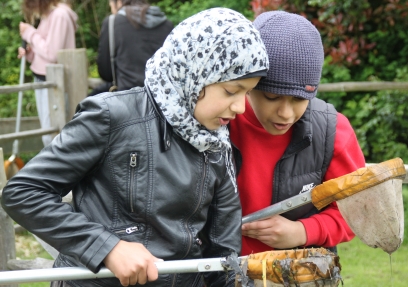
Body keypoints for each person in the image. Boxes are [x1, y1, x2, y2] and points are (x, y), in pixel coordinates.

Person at [2, 7, 269, 287]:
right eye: (231, 91)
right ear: (196, 71)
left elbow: (222, 263)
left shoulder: (219, 146)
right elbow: (23, 193)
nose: (240, 107)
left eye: (247, 93)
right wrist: (107, 247)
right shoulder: (112, 116)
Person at [229, 11, 366, 256]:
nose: (285, 113)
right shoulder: (219, 120)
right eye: (271, 97)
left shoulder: (333, 132)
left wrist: (302, 232)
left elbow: (358, 212)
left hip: (297, 274)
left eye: (299, 99)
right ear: (249, 85)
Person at [18, 0, 78, 147]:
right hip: (43, 79)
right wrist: (31, 53)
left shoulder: (59, 15)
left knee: (52, 136)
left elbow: (52, 54)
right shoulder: (50, 15)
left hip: (53, 82)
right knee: (48, 133)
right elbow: (45, 49)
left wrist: (29, 33)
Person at [88, 0, 174, 96]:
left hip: (127, 99)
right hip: (162, 98)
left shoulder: (112, 22)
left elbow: (106, 73)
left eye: (111, 3)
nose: (110, 6)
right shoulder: (167, 24)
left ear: (119, 2)